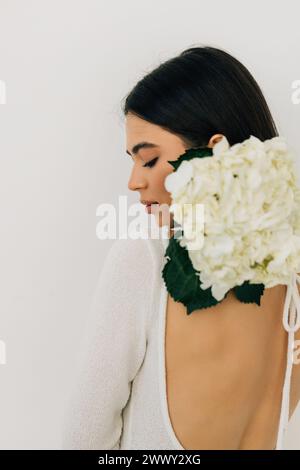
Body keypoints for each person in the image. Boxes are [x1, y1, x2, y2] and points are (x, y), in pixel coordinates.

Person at [61, 45, 300, 450]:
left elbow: (82, 437)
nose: (134, 182)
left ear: (215, 149)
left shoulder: (147, 254)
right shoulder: (290, 270)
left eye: (149, 160)